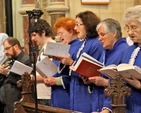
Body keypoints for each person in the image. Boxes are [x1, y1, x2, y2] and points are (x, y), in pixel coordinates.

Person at [84, 18, 129, 113]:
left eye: (102, 35)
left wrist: (105, 82)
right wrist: (90, 80)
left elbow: (126, 83)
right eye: (98, 35)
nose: (99, 38)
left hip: (114, 106)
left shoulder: (125, 51)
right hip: (99, 102)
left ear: (114, 33)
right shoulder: (105, 50)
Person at [68, 11, 103, 113]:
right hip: (76, 90)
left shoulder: (96, 44)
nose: (75, 28)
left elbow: (93, 70)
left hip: (87, 93)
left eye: (78, 25)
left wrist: (71, 63)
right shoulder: (82, 43)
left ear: (88, 25)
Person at [43, 17, 82, 109]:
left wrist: (56, 81)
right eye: (58, 34)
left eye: (61, 33)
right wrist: (48, 78)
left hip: (68, 96)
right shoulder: (63, 47)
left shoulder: (78, 47)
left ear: (71, 31)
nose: (59, 37)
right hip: (57, 96)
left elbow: (75, 75)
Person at [28, 19, 56, 106]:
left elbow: (51, 73)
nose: (32, 39)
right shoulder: (45, 47)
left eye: (34, 35)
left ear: (43, 32)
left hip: (48, 94)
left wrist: (32, 78)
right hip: (43, 93)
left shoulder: (52, 47)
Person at [0, 37, 30, 113]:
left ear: (16, 46)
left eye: (7, 48)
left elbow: (24, 82)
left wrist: (7, 72)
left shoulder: (26, 60)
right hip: (5, 104)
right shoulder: (9, 60)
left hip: (17, 103)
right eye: (4, 50)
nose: (5, 52)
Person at [121, 5, 141, 113]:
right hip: (127, 107)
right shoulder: (129, 50)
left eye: (134, 27)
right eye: (127, 27)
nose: (129, 32)